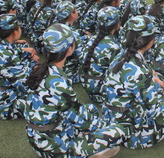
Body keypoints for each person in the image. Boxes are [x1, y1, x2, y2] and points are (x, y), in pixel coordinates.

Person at [24, 23, 125, 158]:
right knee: (118, 132)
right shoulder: (58, 83)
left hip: (40, 139)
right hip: (55, 148)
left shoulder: (42, 70)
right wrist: (107, 125)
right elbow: (84, 121)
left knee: (90, 108)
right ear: (70, 49)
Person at [102, 15, 164, 149]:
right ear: (151, 41)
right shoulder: (139, 70)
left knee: (156, 89)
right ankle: (158, 133)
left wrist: (154, 78)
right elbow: (155, 110)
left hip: (111, 121)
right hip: (132, 134)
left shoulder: (121, 55)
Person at [0, 14, 39, 120]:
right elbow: (26, 86)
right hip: (6, 105)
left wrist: (27, 54)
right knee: (48, 102)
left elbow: (17, 51)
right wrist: (36, 71)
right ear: (15, 32)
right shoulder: (6, 55)